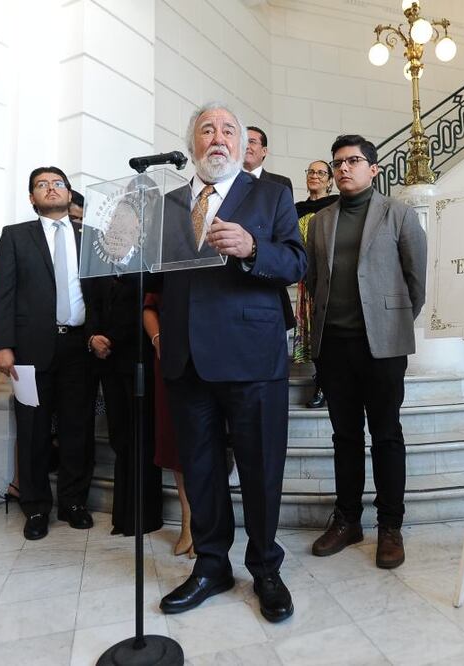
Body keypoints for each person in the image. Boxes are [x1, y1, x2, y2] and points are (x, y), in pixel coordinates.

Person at [155, 102, 305, 623]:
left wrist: (252, 247)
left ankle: (265, 568)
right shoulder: (170, 204)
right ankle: (211, 565)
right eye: (206, 130)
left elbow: (296, 262)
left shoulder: (272, 193)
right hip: (186, 358)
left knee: (261, 469)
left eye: (227, 130)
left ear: (241, 145)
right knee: (200, 469)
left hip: (251, 355)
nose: (217, 138)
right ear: (192, 144)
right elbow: (157, 277)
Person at [305, 134, 426, 569]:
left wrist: (390, 321)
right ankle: (348, 520)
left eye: (353, 161)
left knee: (387, 434)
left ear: (373, 169)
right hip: (333, 346)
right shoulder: (321, 221)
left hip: (383, 347)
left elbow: (416, 281)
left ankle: (390, 525)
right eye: (337, 161)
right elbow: (314, 280)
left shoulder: (399, 213)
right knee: (345, 437)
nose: (343, 168)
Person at [0, 167, 95, 540]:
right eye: (42, 185)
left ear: (69, 192)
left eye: (58, 183)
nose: (51, 188)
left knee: (78, 429)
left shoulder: (90, 237)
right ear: (32, 197)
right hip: (30, 350)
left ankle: (73, 503)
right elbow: (0, 294)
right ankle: (35, 507)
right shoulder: (16, 236)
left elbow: (100, 292)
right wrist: (2, 345)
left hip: (80, 347)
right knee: (32, 430)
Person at [86, 271, 164, 536]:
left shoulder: (145, 265)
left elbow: (143, 306)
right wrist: (93, 337)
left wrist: (112, 338)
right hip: (108, 362)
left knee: (141, 437)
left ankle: (143, 517)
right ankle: (122, 516)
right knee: (119, 438)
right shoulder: (99, 265)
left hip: (138, 358)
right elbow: (92, 304)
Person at [143, 293, 193, 557]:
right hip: (172, 359)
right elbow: (149, 308)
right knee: (176, 442)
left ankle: (206, 522)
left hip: (213, 354)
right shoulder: (166, 268)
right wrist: (158, 339)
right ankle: (187, 519)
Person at [293, 160, 339, 408]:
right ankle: (321, 380)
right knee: (314, 334)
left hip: (330, 278)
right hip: (305, 279)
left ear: (330, 180)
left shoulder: (337, 205)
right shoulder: (296, 209)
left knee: (330, 333)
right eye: (311, 171)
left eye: (321, 173)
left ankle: (328, 382)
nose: (315, 176)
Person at [244, 126, 293, 193]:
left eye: (252, 142)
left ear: (264, 151)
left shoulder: (281, 183)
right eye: (243, 141)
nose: (246, 146)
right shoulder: (229, 180)